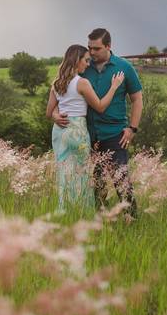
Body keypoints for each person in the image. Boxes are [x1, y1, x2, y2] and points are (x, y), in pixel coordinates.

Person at [50, 28, 143, 217]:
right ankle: (98, 219)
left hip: (115, 133)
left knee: (121, 181)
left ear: (108, 46)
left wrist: (132, 128)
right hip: (88, 135)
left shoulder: (124, 67)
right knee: (95, 183)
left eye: (96, 49)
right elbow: (63, 92)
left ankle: (131, 219)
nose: (91, 53)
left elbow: (137, 99)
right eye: (89, 48)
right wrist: (54, 114)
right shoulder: (84, 67)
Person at [46, 44, 124, 212]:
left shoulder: (57, 83)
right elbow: (101, 106)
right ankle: (81, 213)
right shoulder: (82, 83)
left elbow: (49, 111)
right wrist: (114, 86)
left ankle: (64, 210)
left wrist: (56, 115)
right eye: (86, 60)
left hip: (59, 131)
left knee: (64, 175)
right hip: (77, 129)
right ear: (77, 60)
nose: (88, 64)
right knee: (80, 175)